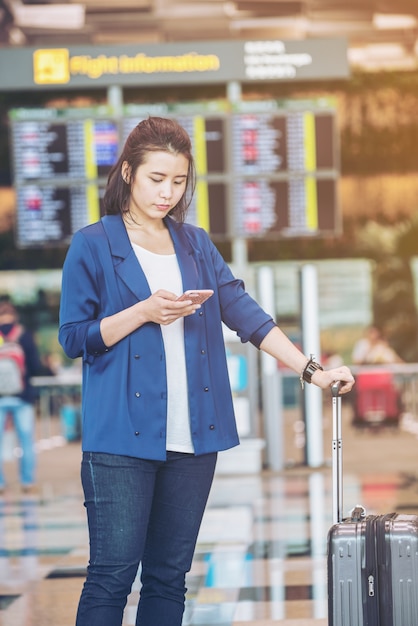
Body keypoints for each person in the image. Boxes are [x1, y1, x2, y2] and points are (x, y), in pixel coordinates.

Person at [58, 116, 355, 626]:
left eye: (178, 181)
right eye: (157, 179)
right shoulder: (93, 243)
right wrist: (144, 312)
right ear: (127, 172)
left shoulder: (194, 243)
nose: (168, 193)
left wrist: (315, 371)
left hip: (192, 438)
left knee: (170, 578)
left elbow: (247, 316)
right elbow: (73, 337)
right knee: (111, 574)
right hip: (120, 440)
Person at [0, 300, 42, 493]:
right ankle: (27, 481)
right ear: (14, 315)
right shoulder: (24, 335)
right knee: (26, 441)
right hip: (22, 396)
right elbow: (34, 365)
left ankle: (1, 483)